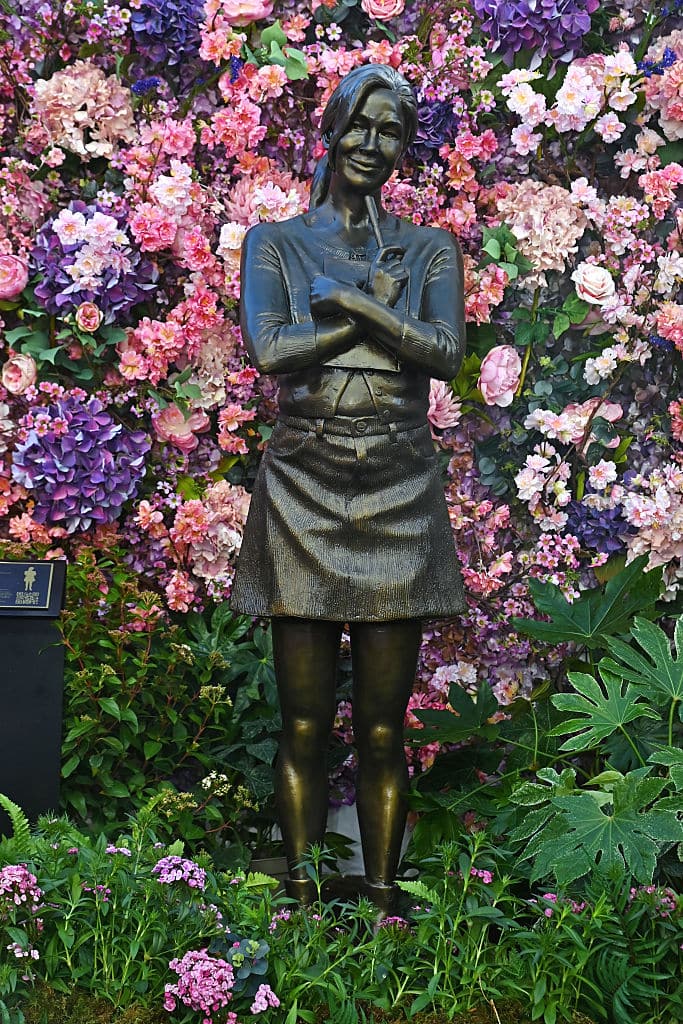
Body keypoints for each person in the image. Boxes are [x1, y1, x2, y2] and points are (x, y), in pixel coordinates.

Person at [231, 64, 467, 910]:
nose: (373, 144)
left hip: (398, 484)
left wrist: (355, 307)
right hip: (303, 482)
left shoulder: (429, 247)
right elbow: (270, 350)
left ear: (405, 147)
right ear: (331, 130)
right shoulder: (276, 243)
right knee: (300, 721)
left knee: (380, 727)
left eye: (391, 131)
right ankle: (299, 892)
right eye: (360, 126)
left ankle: (383, 896)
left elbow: (443, 356)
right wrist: (365, 307)